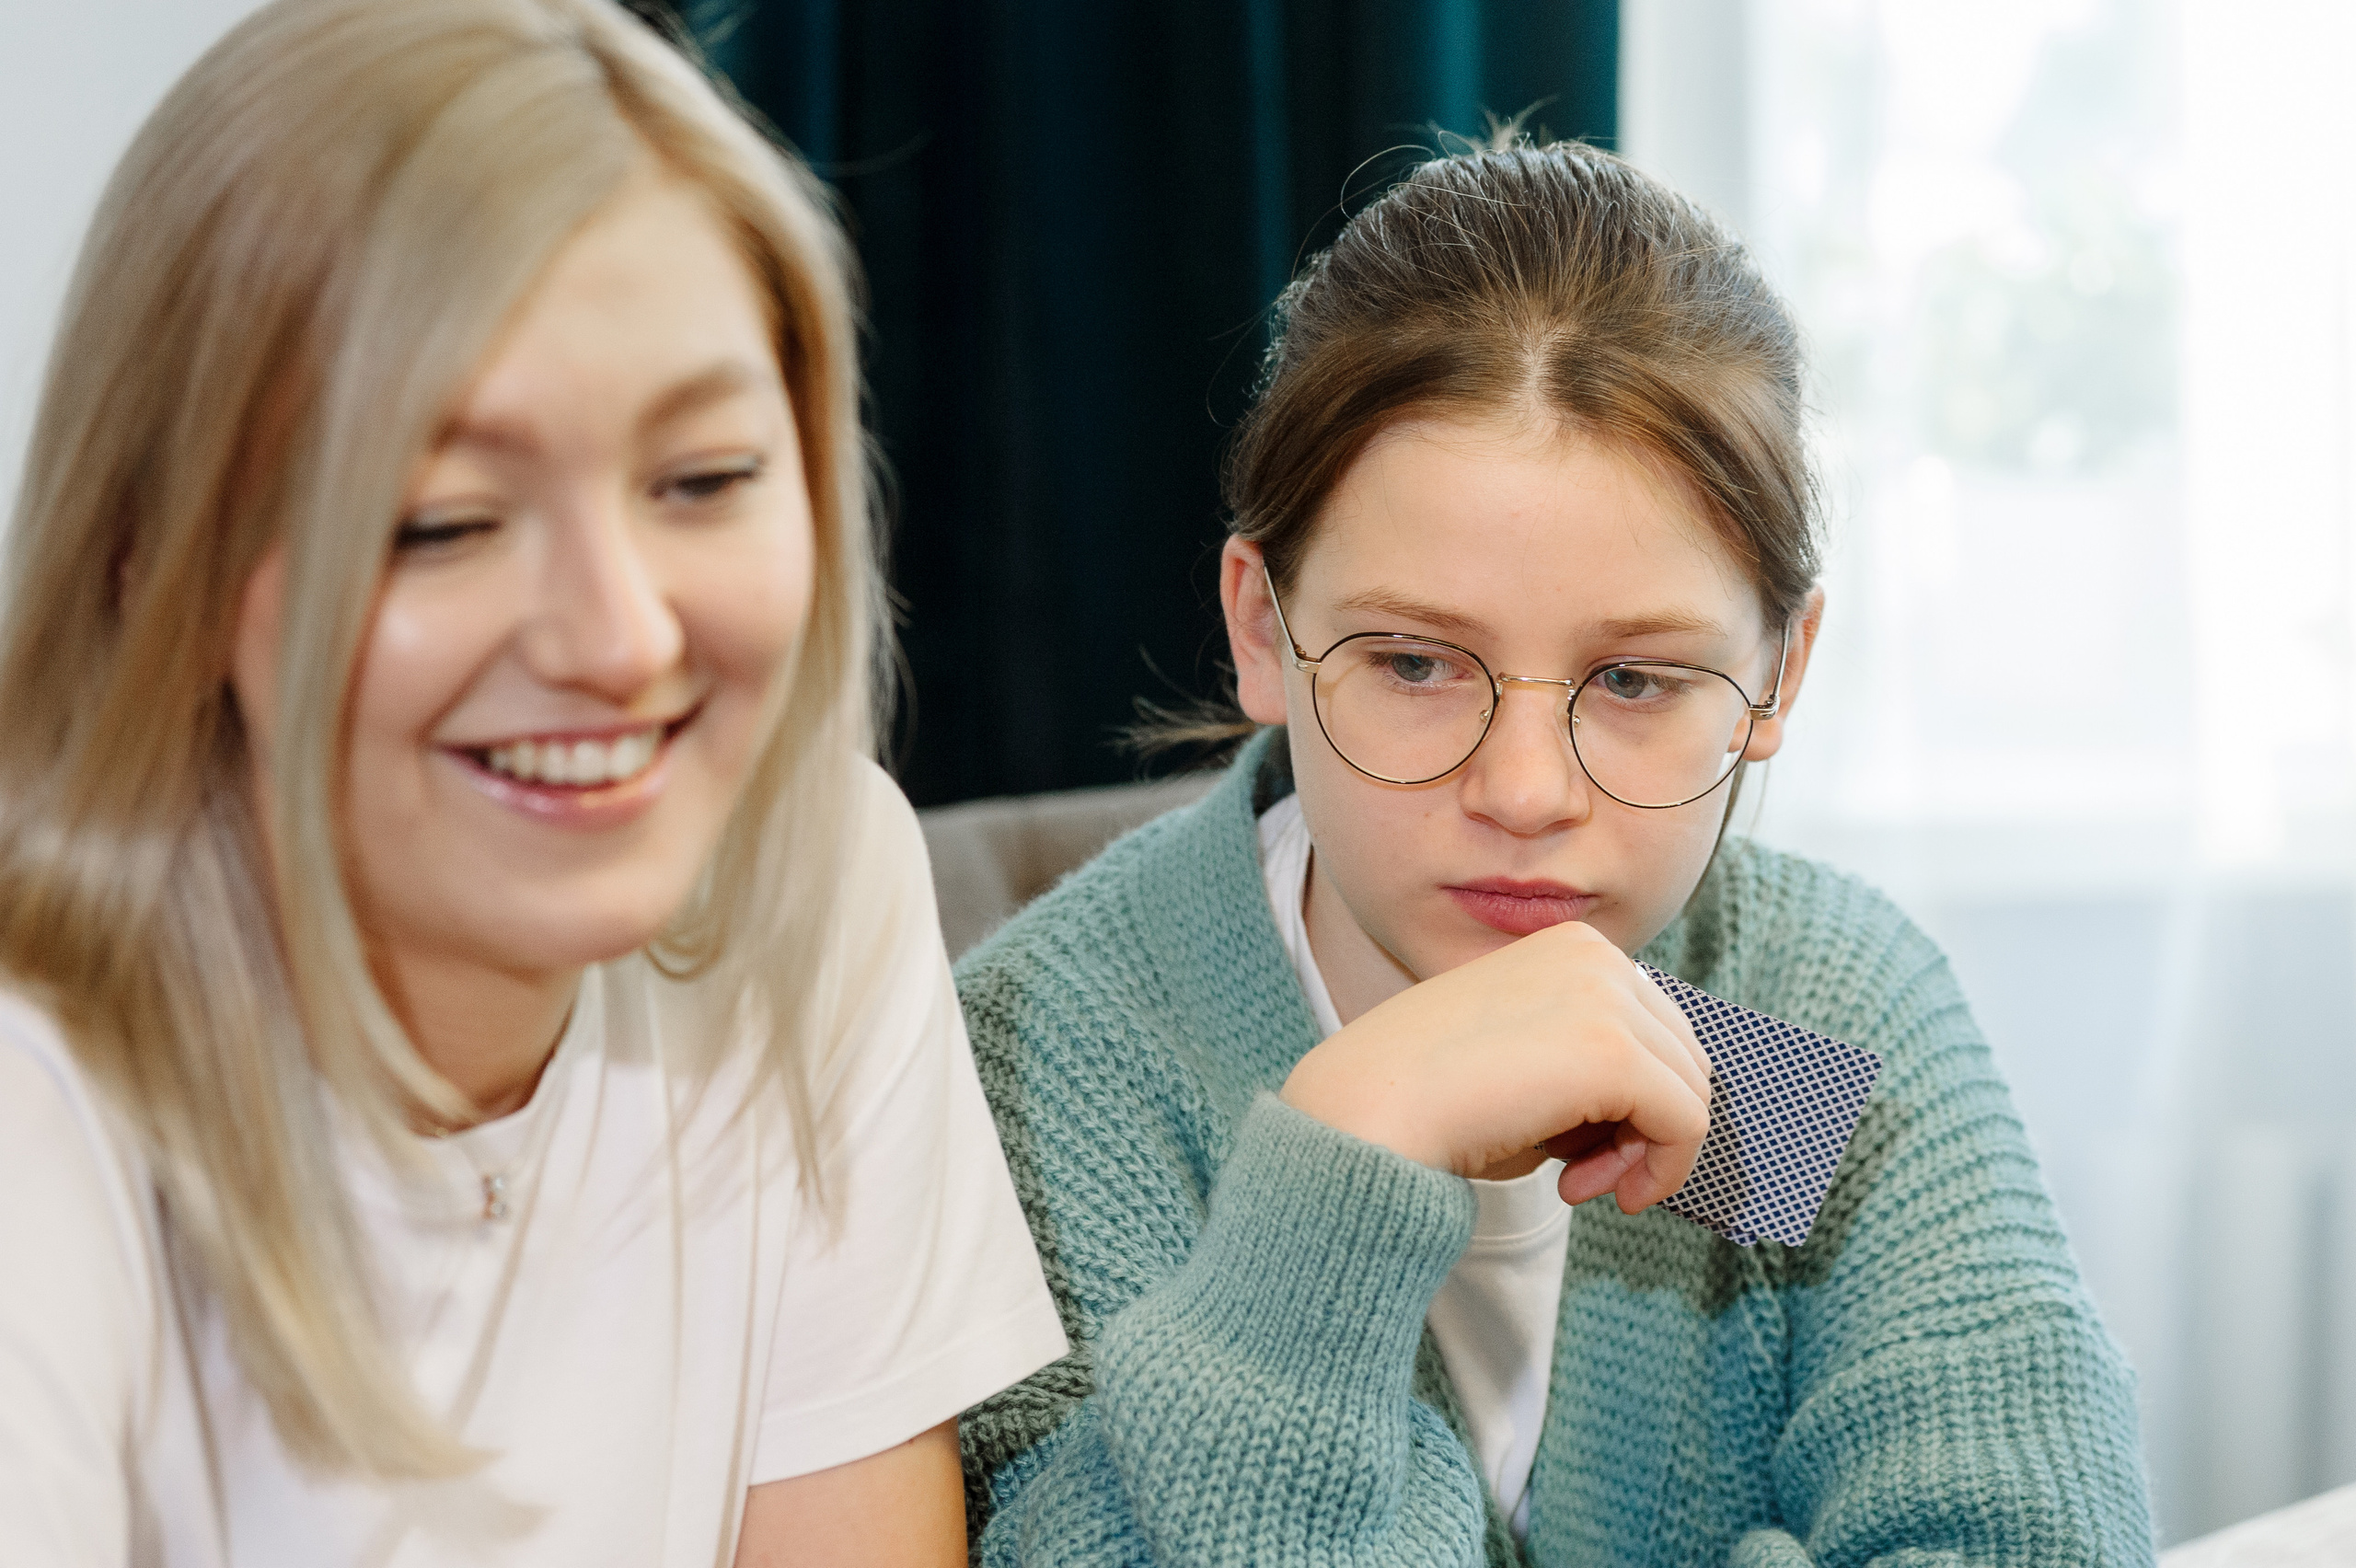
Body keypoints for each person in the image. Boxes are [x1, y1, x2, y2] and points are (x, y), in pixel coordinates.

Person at [955, 138, 2154, 1565]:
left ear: (1781, 672)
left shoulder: (1793, 1017)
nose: (1525, 794)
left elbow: (2028, 1540)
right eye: (1415, 662)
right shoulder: (1034, 1070)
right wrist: (1346, 1162)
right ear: (1263, 629)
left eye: (1636, 680)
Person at [0, 2, 1065, 1562]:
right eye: (445, 522)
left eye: (703, 480)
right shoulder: (39, 1086)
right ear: (154, 564)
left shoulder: (813, 876)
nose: (622, 640)